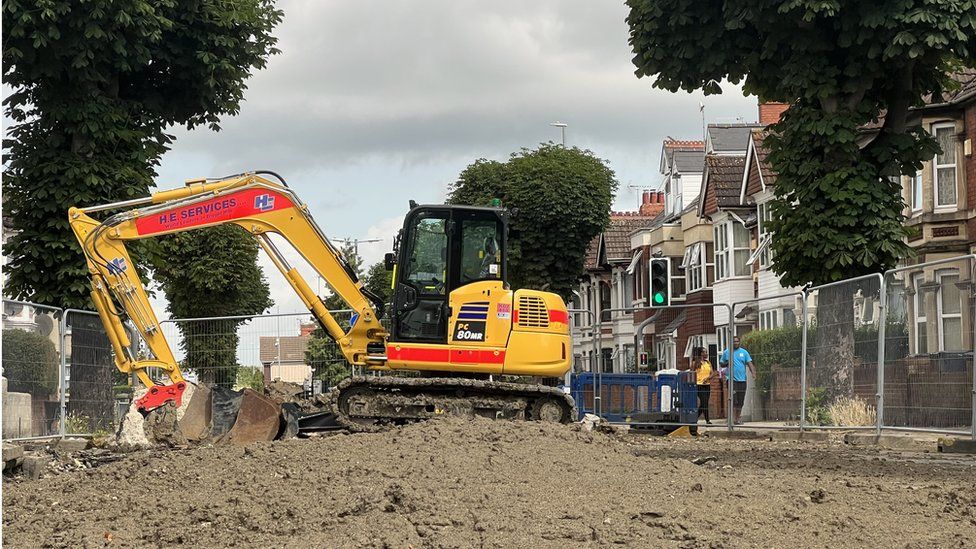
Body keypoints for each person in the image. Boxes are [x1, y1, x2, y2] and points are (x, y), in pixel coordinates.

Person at [719, 336, 754, 424]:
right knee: (733, 400)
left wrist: (753, 373)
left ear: (739, 342)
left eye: (737, 341)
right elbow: (721, 363)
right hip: (731, 380)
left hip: (742, 380)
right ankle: (732, 419)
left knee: (740, 401)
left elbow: (749, 363)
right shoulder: (727, 352)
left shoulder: (744, 352)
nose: (735, 343)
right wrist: (727, 363)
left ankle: (737, 418)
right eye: (734, 341)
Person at [691, 346, 713, 424]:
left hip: (707, 385)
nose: (706, 354)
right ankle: (707, 420)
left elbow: (712, 373)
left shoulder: (708, 362)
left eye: (706, 352)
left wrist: (708, 378)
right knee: (704, 402)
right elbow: (692, 373)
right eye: (704, 352)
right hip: (699, 385)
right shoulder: (695, 363)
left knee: (705, 403)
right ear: (700, 353)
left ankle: (694, 418)